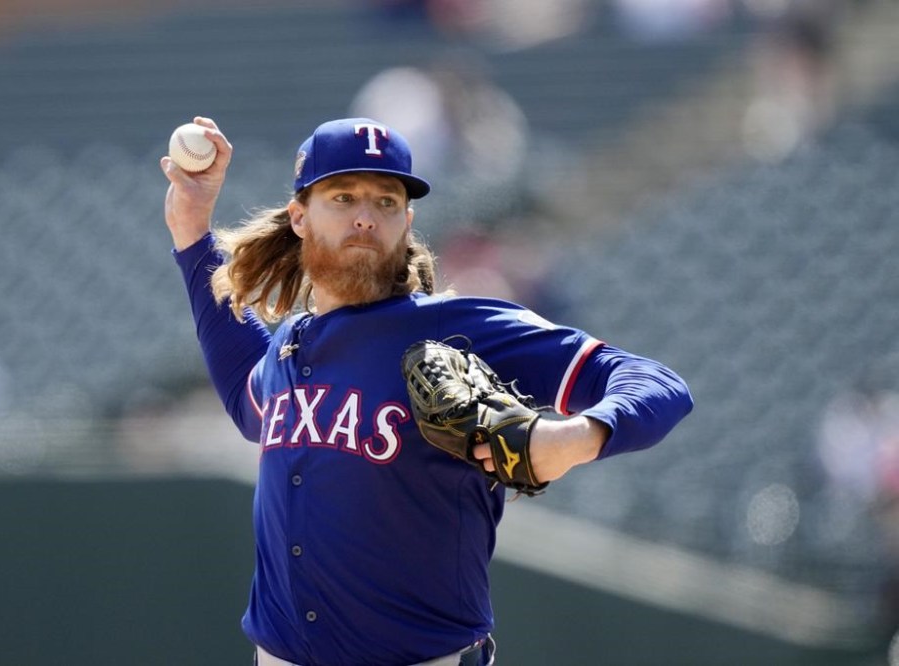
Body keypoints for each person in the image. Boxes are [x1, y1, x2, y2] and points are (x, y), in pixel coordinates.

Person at [160, 116, 693, 666]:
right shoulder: (293, 343)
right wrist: (193, 234)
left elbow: (659, 384)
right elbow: (248, 399)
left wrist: (575, 438)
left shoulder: (460, 328)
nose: (366, 217)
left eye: (386, 202)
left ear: (407, 221)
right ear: (299, 217)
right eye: (343, 197)